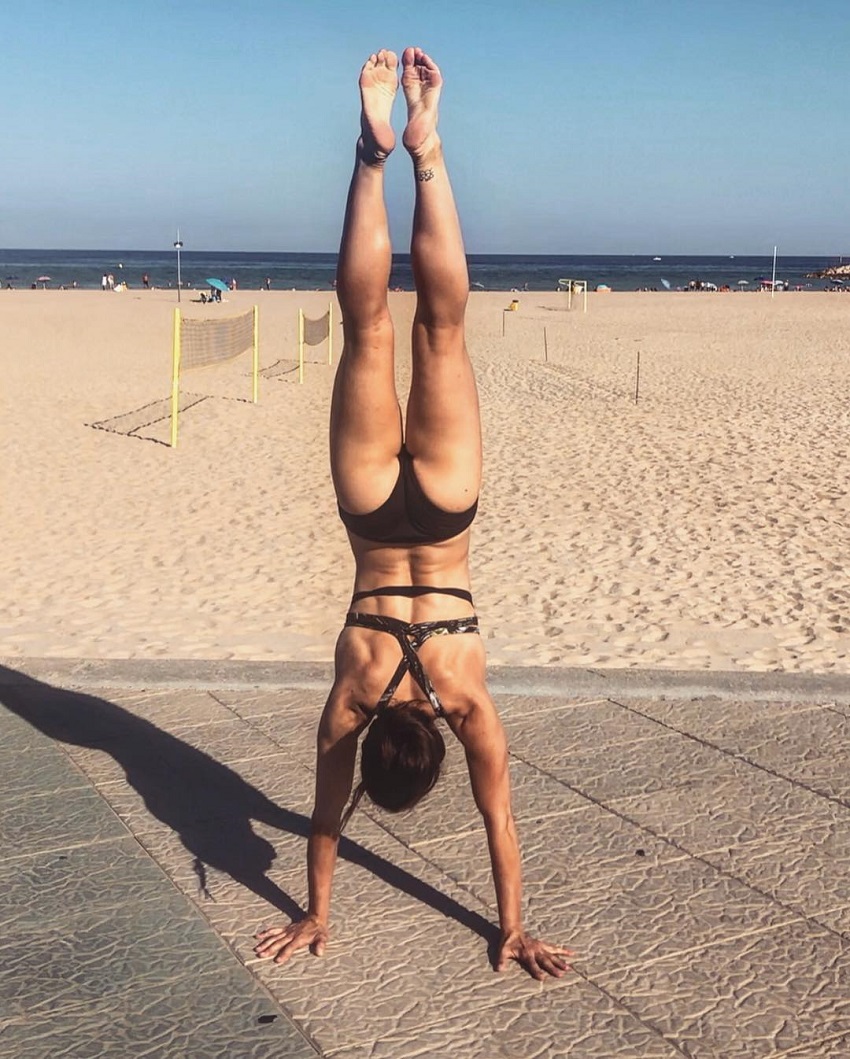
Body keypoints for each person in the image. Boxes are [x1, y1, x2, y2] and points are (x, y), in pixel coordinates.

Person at [253, 48, 572, 981]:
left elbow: (498, 819)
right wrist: (313, 906)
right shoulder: (349, 705)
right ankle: (376, 151)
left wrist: (514, 924)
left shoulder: (466, 703)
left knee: (439, 324)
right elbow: (321, 818)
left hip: (443, 515)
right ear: (378, 756)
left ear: (431, 748)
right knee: (370, 327)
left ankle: (426, 149)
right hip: (367, 513)